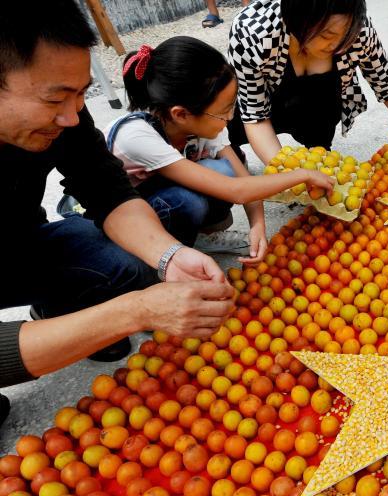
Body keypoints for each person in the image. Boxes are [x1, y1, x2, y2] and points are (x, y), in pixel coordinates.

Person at [0, 0, 235, 427]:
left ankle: (53, 313)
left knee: (127, 263)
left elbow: (106, 186)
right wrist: (134, 311)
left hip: (18, 242)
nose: (71, 117)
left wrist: (170, 256)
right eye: (55, 99)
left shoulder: (67, 113)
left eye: (80, 94)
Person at [107, 37, 334, 259]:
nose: (231, 117)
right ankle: (160, 250)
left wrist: (257, 227)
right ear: (181, 114)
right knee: (188, 201)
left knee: (225, 169)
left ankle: (201, 236)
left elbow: (243, 180)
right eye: (224, 111)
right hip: (127, 214)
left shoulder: (200, 123)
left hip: (163, 189)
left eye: (232, 106)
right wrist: (302, 175)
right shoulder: (137, 137)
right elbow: (237, 191)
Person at [227, 0, 388, 183]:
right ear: (298, 22)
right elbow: (255, 116)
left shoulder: (357, 31)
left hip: (314, 103)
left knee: (319, 143)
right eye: (327, 36)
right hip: (264, 99)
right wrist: (289, 176)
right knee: (227, 120)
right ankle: (232, 150)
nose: (340, 46)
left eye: (346, 36)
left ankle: (317, 149)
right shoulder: (252, 34)